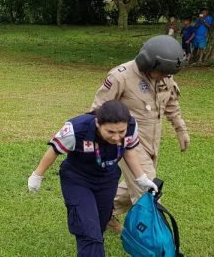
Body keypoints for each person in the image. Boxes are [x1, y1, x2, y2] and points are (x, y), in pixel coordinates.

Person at [28, 101, 158, 257]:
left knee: (100, 224)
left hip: (107, 178)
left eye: (120, 132)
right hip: (77, 178)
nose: (116, 137)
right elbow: (54, 150)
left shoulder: (130, 126)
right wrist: (37, 175)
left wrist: (141, 177)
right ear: (98, 123)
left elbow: (128, 150)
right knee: (88, 229)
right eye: (110, 132)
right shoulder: (76, 129)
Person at [91, 35, 188, 232]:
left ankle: (101, 211)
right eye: (160, 72)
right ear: (148, 62)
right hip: (126, 143)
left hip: (152, 141)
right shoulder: (120, 77)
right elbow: (97, 110)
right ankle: (150, 241)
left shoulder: (165, 74)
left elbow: (171, 102)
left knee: (133, 186)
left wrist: (180, 129)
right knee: (148, 188)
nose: (164, 77)